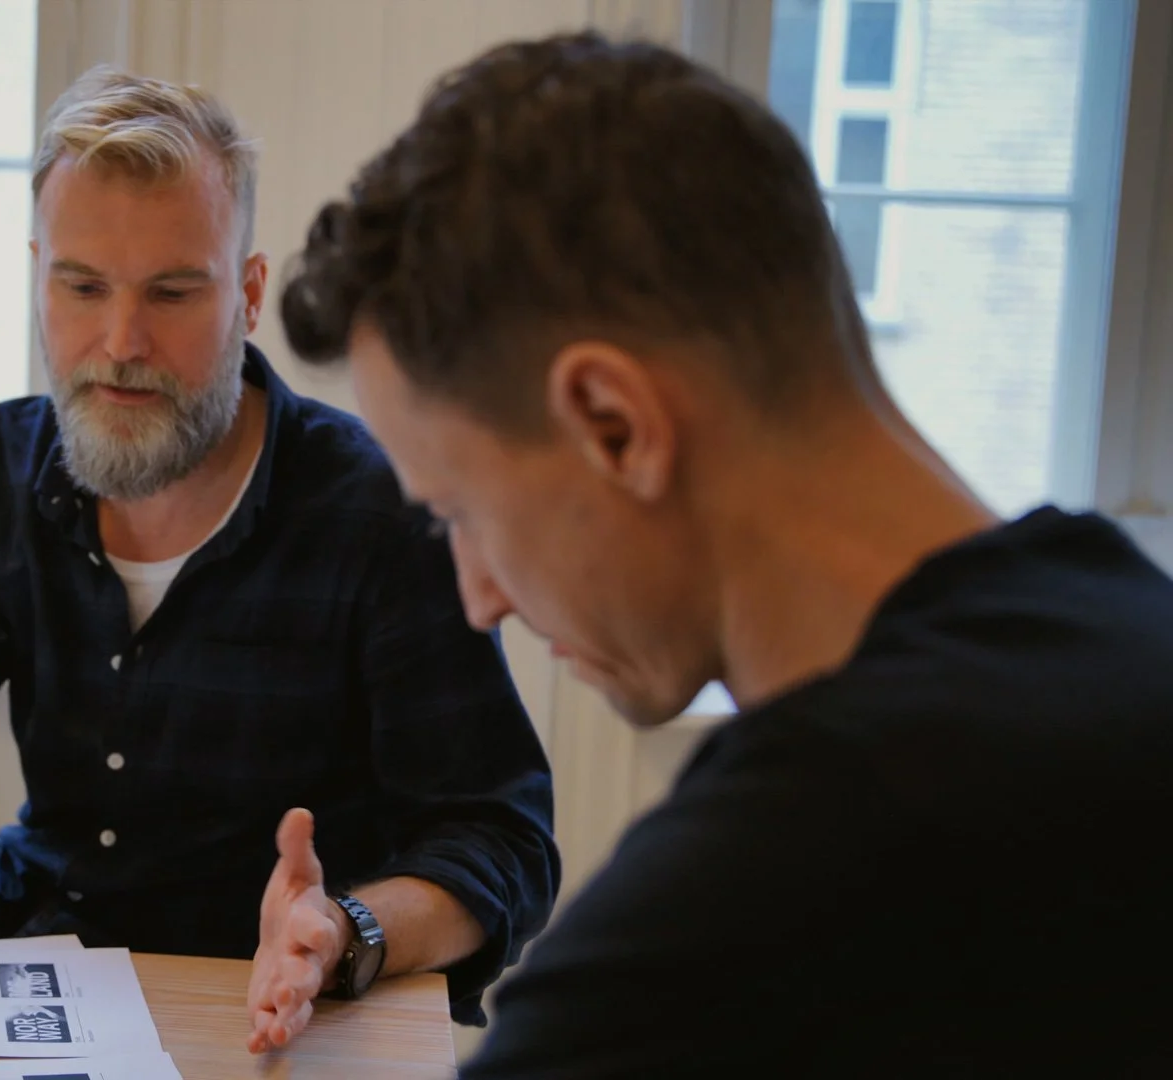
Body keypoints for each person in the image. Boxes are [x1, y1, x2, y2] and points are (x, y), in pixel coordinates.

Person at [281, 31, 1173, 1077]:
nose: (478, 599)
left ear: (615, 424)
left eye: (461, 512)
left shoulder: (772, 890)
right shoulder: (1129, 631)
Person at [0, 67, 559, 1049]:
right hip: (50, 899)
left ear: (249, 294)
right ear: (37, 276)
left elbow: (501, 840)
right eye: (82, 286)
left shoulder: (375, 507)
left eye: (173, 292)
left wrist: (346, 932)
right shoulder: (0, 464)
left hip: (275, 965)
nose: (120, 340)